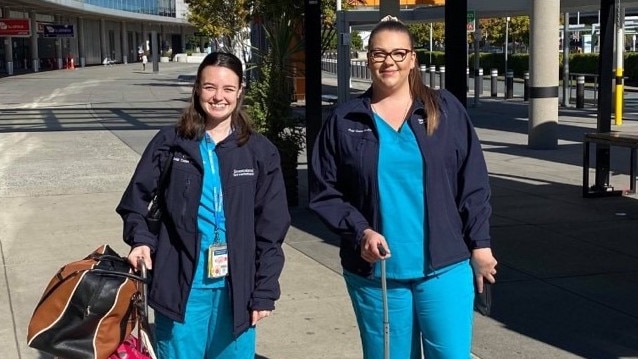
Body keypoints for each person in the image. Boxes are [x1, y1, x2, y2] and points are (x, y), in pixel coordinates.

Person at [309, 16, 498, 359]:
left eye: (398, 53)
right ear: (367, 58)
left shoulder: (444, 110)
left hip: (445, 268)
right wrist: (359, 231)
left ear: (413, 59)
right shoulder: (345, 120)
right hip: (376, 275)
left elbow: (473, 182)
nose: (389, 62)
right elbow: (325, 192)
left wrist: (480, 244)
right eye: (379, 53)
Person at [116, 51, 290, 359]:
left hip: (237, 290)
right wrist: (140, 239)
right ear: (198, 89)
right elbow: (135, 200)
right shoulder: (171, 143)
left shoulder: (259, 152)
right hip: (182, 286)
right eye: (210, 87)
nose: (218, 97)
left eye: (227, 89)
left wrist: (264, 290)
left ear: (240, 92)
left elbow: (271, 229)